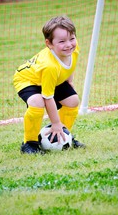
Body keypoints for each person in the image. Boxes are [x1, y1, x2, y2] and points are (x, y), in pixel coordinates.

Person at [13, 15, 86, 154]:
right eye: (62, 41)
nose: (69, 44)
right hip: (27, 79)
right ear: (49, 43)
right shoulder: (50, 66)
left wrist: (69, 82)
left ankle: (65, 136)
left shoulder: (73, 48)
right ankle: (30, 143)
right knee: (37, 101)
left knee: (73, 101)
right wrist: (56, 123)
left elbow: (71, 65)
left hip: (49, 78)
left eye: (72, 38)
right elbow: (47, 97)